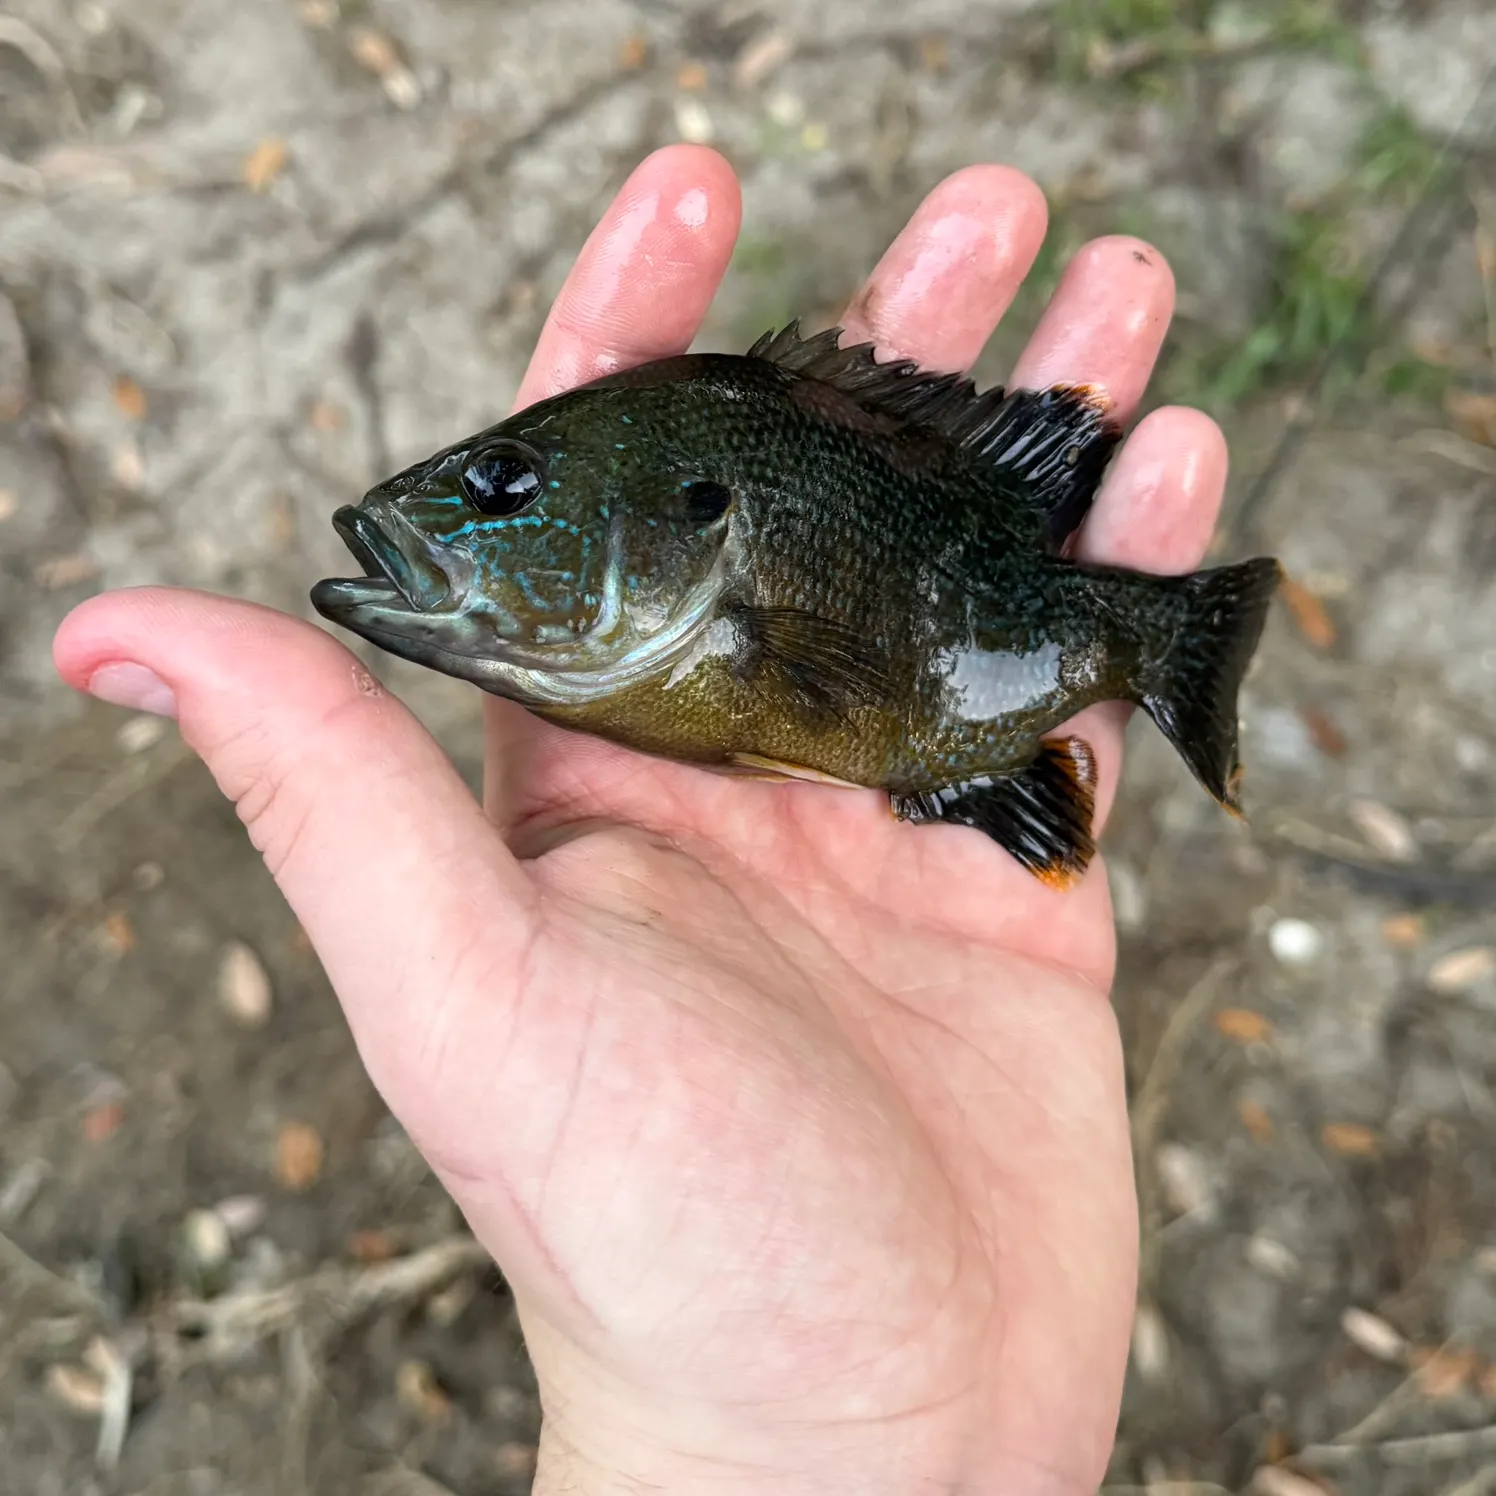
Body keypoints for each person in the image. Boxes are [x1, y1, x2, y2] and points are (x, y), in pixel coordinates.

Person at [54, 145, 1227, 1495]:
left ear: (689, 523)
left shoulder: (724, 520)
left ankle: (1178, 645)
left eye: (505, 490)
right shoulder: (680, 545)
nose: (437, 517)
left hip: (989, 692)